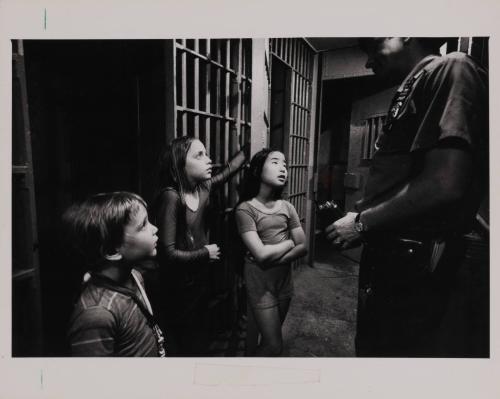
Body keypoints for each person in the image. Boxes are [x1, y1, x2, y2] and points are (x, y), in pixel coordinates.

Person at [325, 37, 488, 357]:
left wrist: (361, 223)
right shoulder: (418, 82)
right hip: (397, 261)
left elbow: (444, 182)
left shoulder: (451, 69)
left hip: (421, 266)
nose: (369, 62)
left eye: (373, 48)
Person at [153, 136, 247, 356]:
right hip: (177, 286)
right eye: (199, 155)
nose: (209, 160)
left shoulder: (203, 189)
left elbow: (229, 170)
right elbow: (167, 255)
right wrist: (205, 253)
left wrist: (248, 147)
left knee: (198, 336)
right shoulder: (171, 197)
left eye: (206, 154)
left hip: (199, 280)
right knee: (182, 341)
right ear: (179, 163)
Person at [64, 192, 165, 357]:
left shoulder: (135, 276)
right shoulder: (96, 315)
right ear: (112, 249)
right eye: (143, 225)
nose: (155, 229)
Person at [235, 149, 308, 356]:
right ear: (258, 170)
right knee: (275, 346)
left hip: (284, 282)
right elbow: (261, 255)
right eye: (275, 162)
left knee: (271, 340)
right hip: (260, 284)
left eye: (284, 164)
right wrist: (287, 244)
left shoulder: (287, 207)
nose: (283, 168)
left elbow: (303, 247)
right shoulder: (245, 209)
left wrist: (269, 256)